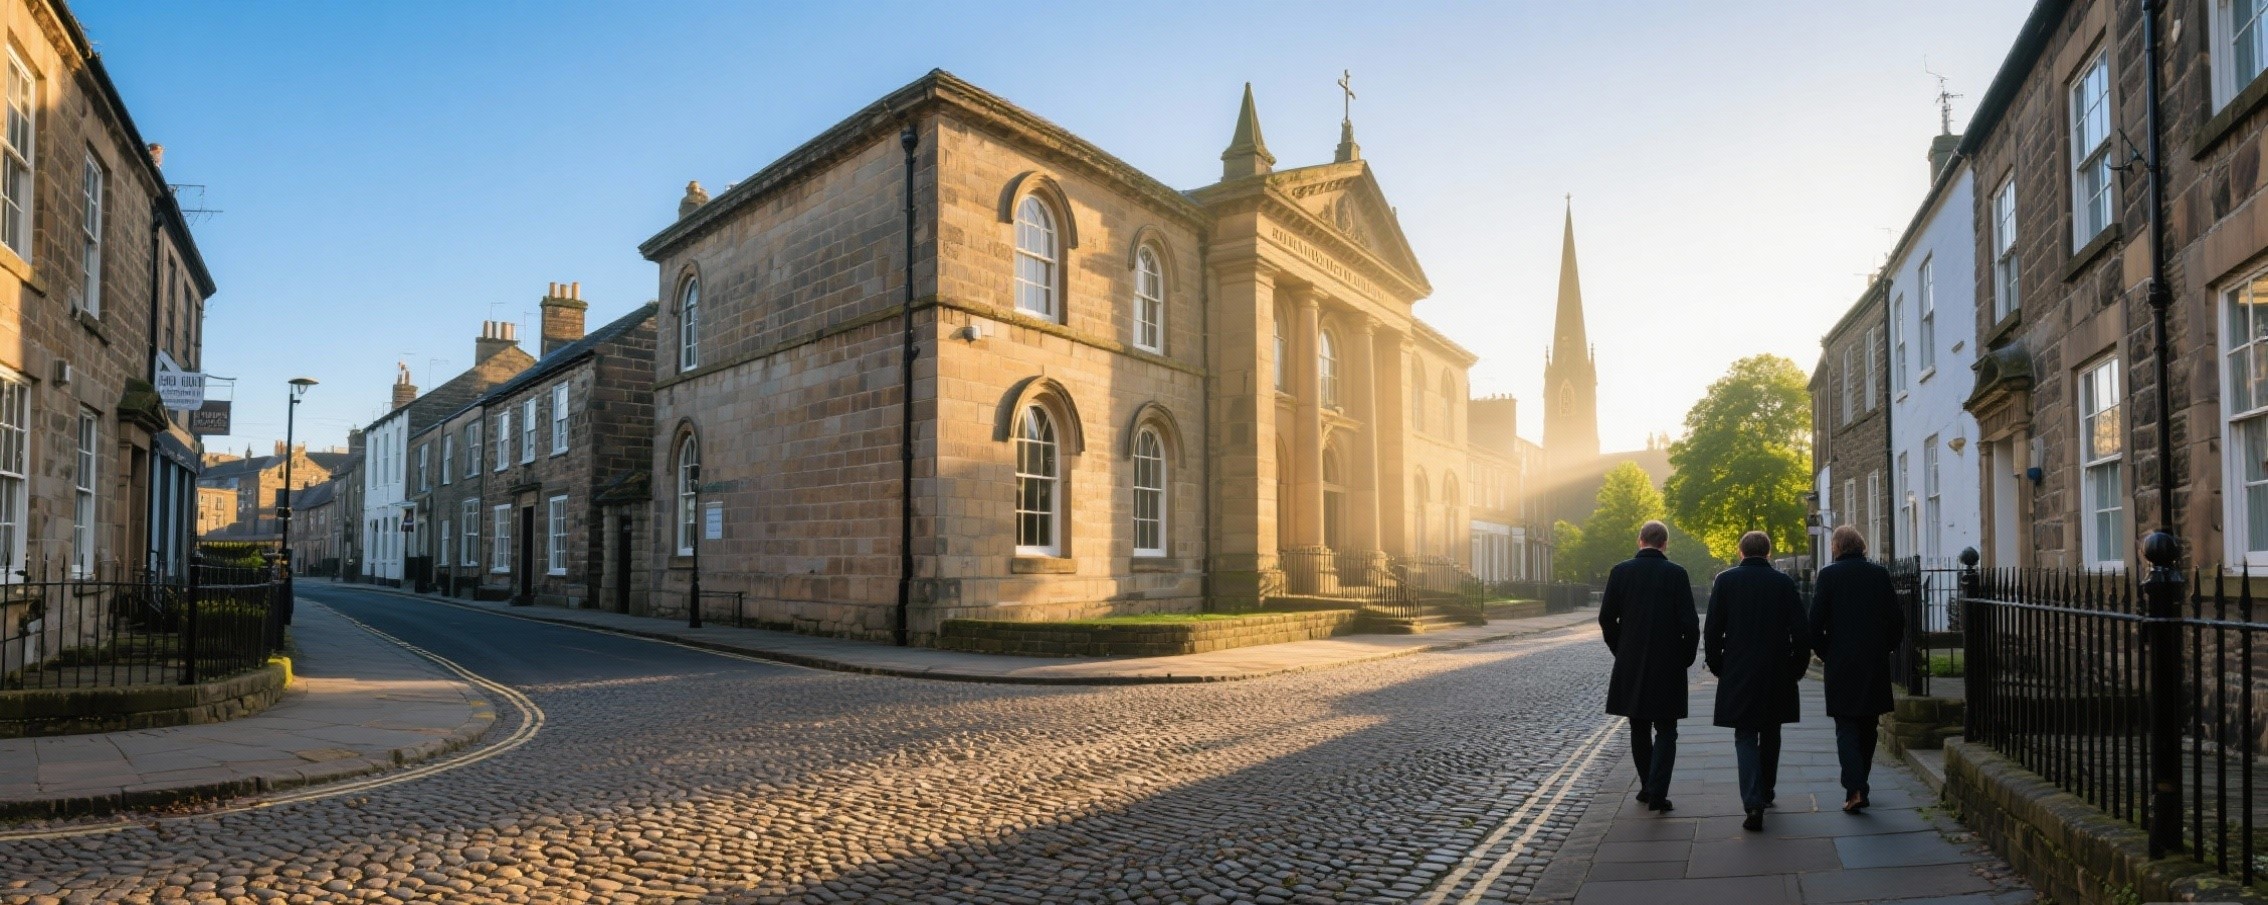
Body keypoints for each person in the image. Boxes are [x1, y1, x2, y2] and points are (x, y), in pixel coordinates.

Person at [1704, 531, 1811, 832]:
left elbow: (1712, 630)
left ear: (1741, 552)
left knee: (1745, 734)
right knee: (1772, 730)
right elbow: (1800, 631)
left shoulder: (1725, 581)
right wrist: (1797, 667)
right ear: (1768, 552)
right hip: (1777, 668)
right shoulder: (1783, 583)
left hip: (1738, 668)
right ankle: (1766, 790)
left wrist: (1718, 666)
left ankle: (1752, 802)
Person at [1599, 520, 1699, 812]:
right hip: (1668, 661)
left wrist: (1620, 649)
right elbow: (1690, 624)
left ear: (1640, 540)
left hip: (1631, 660)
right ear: (1665, 544)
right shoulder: (1677, 574)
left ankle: (1647, 785)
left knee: (1638, 725)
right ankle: (1658, 791)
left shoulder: (1620, 572)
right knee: (1667, 728)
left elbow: (1606, 619)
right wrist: (1685, 657)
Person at [1809, 525, 1903, 813]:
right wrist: (1885, 647)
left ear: (1836, 547)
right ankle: (1860, 784)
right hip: (1873, 660)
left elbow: (1814, 623)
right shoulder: (1879, 574)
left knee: (1846, 726)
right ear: (1861, 546)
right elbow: (1896, 620)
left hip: (1841, 661)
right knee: (1868, 725)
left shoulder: (1828, 575)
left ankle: (1855, 788)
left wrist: (1826, 653)